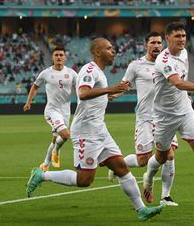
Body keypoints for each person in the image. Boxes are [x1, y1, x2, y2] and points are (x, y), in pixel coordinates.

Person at [25, 38, 165, 221]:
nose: (113, 51)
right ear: (98, 52)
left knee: (121, 167)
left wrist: (109, 94)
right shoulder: (89, 70)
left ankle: (141, 210)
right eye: (109, 48)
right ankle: (42, 174)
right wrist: (110, 89)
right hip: (85, 132)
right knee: (84, 180)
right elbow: (82, 93)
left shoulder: (100, 72)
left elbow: (95, 98)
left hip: (100, 129)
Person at [141, 22, 194, 208]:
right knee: (162, 157)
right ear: (167, 38)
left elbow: (183, 84)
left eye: (183, 36)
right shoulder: (163, 61)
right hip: (163, 116)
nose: (182, 40)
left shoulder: (185, 53)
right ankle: (148, 175)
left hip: (185, 111)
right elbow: (178, 83)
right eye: (177, 36)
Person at [107, 31, 180, 206]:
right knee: (143, 161)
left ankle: (165, 196)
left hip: (165, 117)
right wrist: (114, 95)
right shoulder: (136, 65)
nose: (156, 46)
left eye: (159, 43)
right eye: (153, 43)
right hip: (145, 118)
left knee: (169, 155)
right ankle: (118, 165)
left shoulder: (169, 63)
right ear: (146, 45)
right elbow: (125, 85)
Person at [24, 46, 77, 171]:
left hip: (66, 110)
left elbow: (81, 87)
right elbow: (35, 86)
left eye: (61, 55)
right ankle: (56, 152)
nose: (58, 57)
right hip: (52, 110)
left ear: (65, 57)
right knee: (65, 134)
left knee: (55, 138)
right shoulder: (46, 73)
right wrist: (28, 102)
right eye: (56, 55)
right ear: (52, 58)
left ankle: (45, 165)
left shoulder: (71, 73)